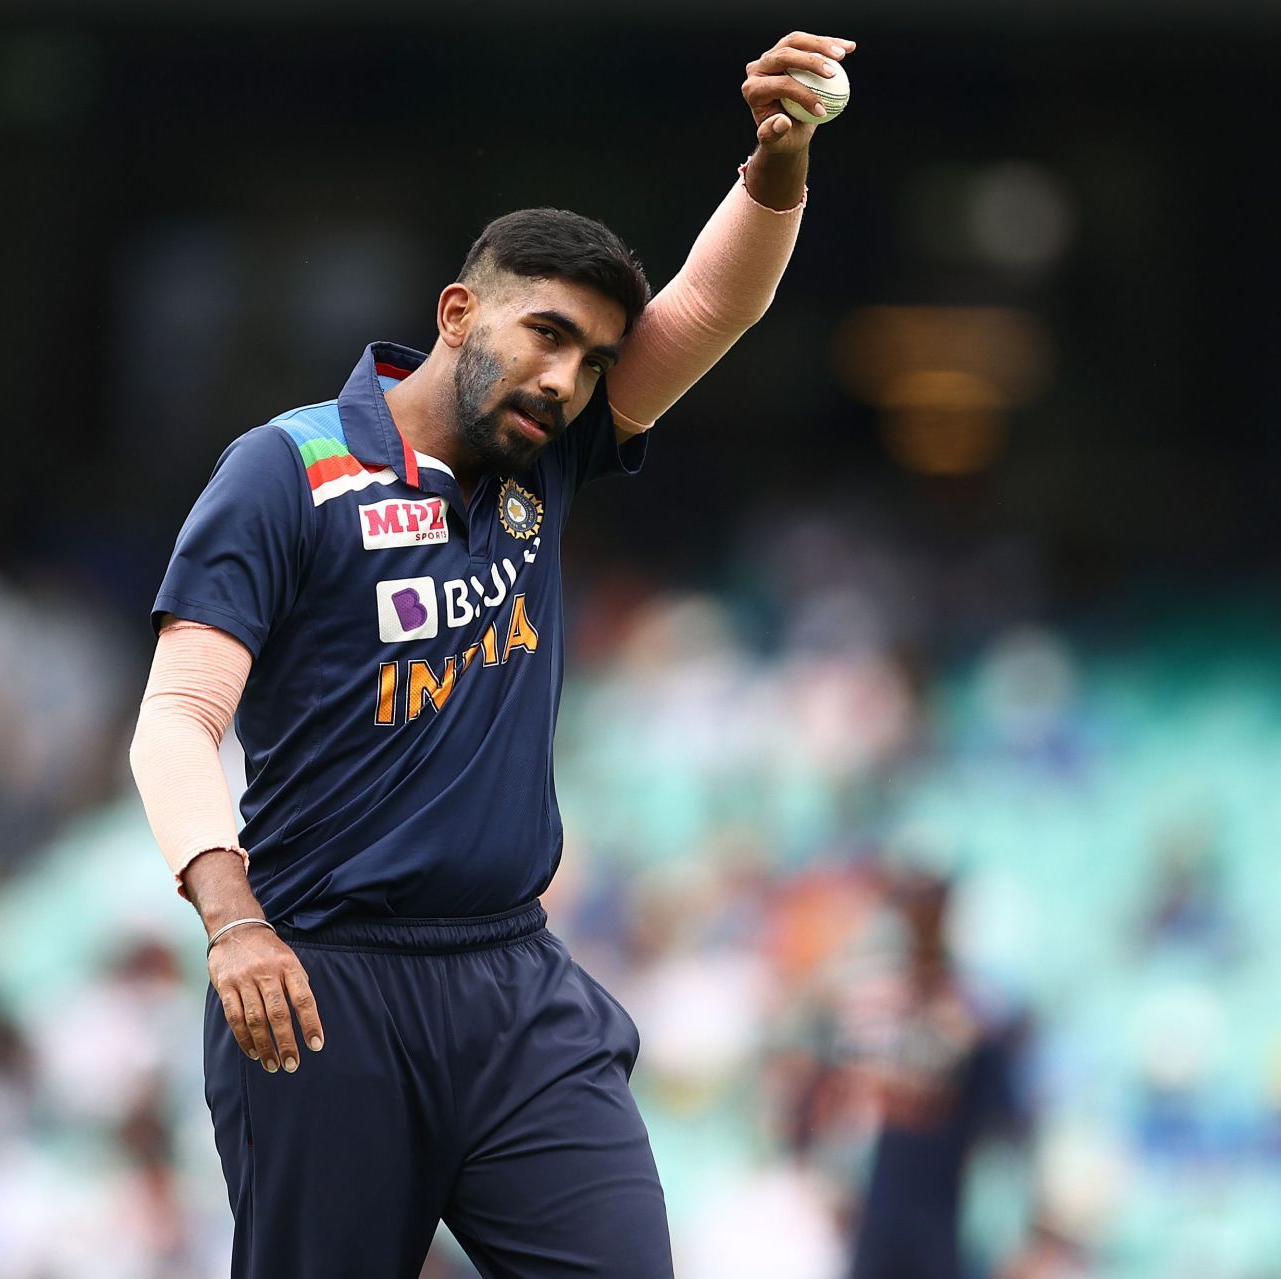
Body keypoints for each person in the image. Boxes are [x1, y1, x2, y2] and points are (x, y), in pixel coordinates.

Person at [130, 29, 856, 1278]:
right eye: (546, 334)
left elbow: (715, 302)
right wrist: (232, 920)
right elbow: (175, 719)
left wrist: (778, 161)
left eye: (591, 360)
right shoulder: (286, 468)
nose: (567, 379)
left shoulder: (547, 452)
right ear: (459, 311)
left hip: (513, 979)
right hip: (319, 979)